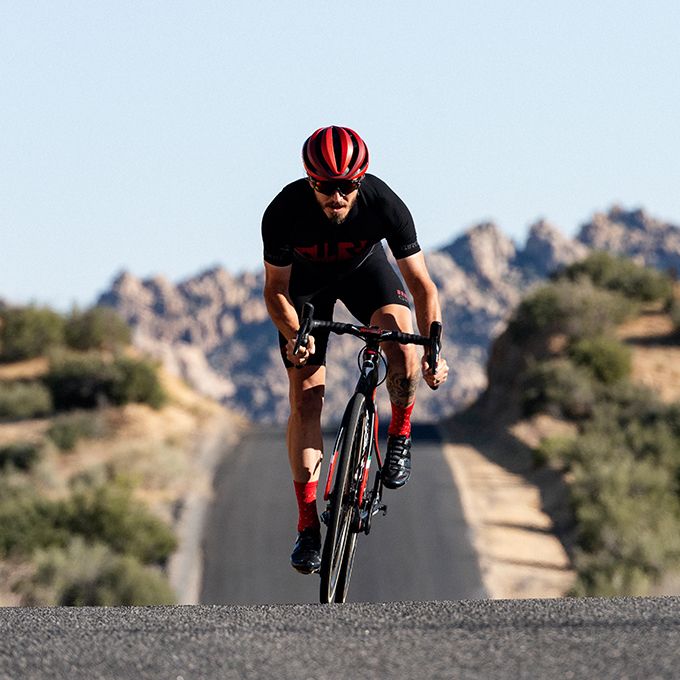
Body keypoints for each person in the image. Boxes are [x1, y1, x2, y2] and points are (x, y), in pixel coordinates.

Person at [262, 125, 449, 574]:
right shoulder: (284, 211)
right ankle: (308, 528)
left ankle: (399, 435)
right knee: (306, 398)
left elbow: (421, 285)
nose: (337, 196)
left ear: (360, 180)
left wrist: (433, 350)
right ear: (311, 181)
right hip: (305, 291)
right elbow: (275, 291)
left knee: (400, 346)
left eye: (347, 186)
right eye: (326, 187)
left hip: (366, 275)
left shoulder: (384, 203)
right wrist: (295, 334)